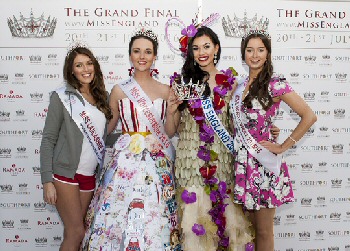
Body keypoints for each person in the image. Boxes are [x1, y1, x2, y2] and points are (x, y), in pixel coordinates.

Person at [81, 28, 181, 251]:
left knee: (156, 212)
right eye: (137, 51)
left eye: (147, 52)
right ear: (130, 55)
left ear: (155, 56)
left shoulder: (167, 90)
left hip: (158, 162)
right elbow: (107, 127)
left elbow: (170, 131)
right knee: (117, 212)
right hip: (124, 162)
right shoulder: (119, 90)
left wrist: (173, 110)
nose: (142, 56)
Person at [166, 26, 257, 251]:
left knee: (227, 229)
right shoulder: (182, 84)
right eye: (195, 48)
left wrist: (266, 130)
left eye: (206, 46)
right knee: (195, 230)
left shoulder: (232, 83)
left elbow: (240, 124)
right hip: (191, 166)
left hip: (222, 164)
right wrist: (171, 109)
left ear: (216, 48)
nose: (201, 52)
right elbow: (171, 131)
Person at [230, 31, 317, 250]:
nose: (255, 55)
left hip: (263, 165)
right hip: (243, 164)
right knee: (248, 229)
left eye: (260, 50)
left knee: (264, 231)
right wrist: (270, 127)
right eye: (250, 50)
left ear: (268, 54)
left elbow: (309, 116)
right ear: (243, 54)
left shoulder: (275, 84)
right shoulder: (239, 86)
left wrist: (283, 146)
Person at [40, 45, 113, 251]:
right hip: (65, 174)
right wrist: (47, 180)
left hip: (89, 175)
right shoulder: (61, 97)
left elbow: (105, 137)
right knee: (76, 232)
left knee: (79, 233)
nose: (85, 69)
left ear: (95, 66)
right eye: (79, 65)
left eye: (89, 63)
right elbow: (48, 140)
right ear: (72, 71)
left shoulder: (103, 98)